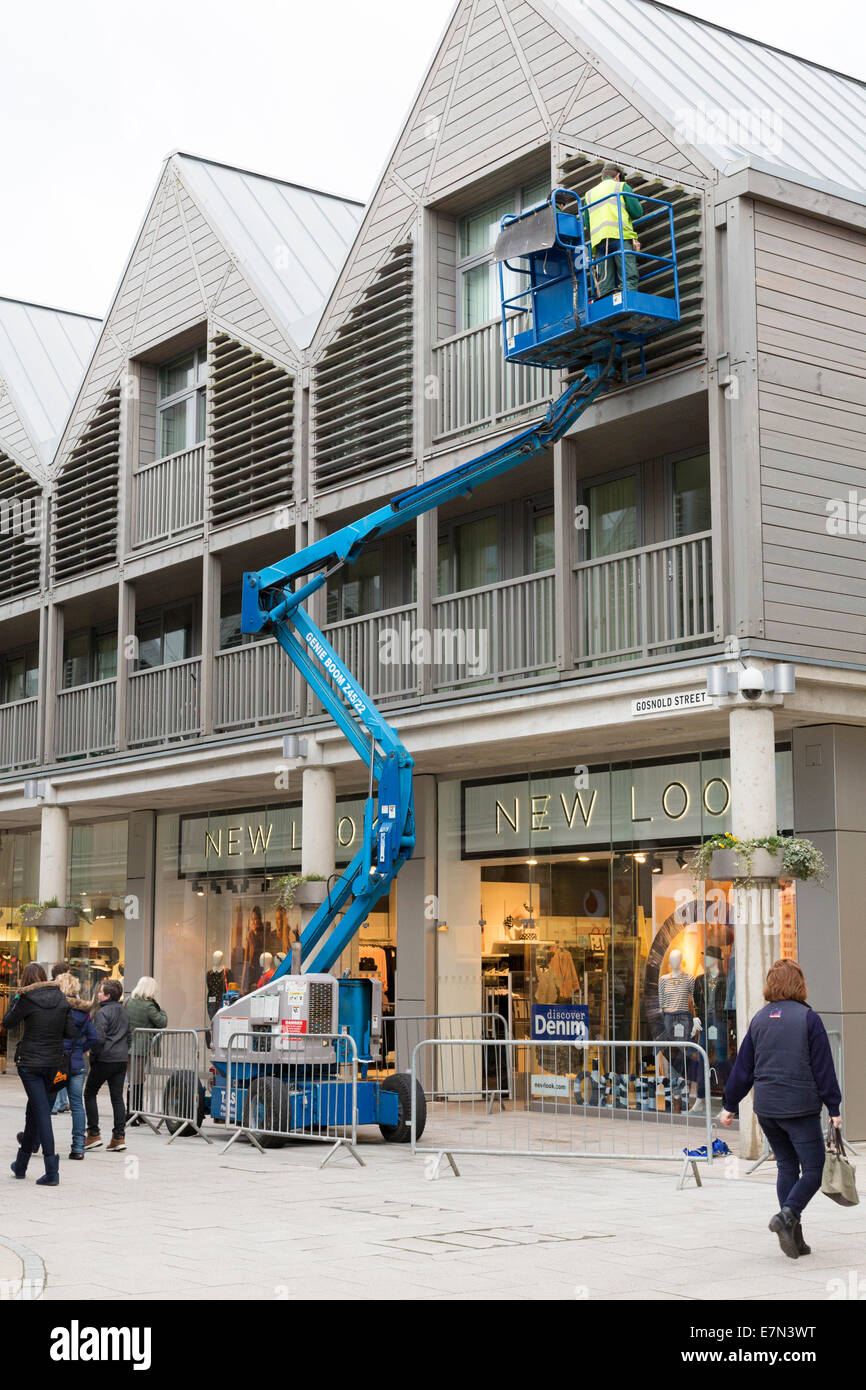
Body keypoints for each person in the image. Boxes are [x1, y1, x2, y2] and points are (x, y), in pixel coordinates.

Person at [720, 958, 842, 1259]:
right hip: (798, 1108)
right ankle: (787, 1216)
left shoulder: (760, 1019)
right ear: (799, 984)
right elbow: (823, 1068)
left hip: (768, 1110)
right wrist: (834, 1106)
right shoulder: (808, 1019)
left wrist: (729, 1105)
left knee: (787, 1166)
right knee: (813, 1169)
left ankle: (795, 1237)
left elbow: (743, 1068)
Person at [3, 962, 76, 1186]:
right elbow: (71, 1032)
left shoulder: (25, 999)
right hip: (53, 1063)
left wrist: (16, 1001)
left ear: (25, 979)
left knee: (42, 1112)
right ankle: (21, 1165)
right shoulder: (61, 998)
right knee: (34, 1109)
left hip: (31, 1064)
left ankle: (51, 1171)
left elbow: (7, 1023)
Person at [54, 972, 98, 1160]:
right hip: (77, 1064)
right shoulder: (83, 1013)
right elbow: (94, 1038)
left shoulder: (55, 1010)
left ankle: (36, 1141)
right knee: (77, 1105)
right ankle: (79, 1147)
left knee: (46, 1103)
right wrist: (80, 1049)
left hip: (57, 1064)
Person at [84, 979, 131, 1152]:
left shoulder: (102, 1013)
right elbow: (129, 1036)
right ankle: (119, 1137)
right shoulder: (124, 1012)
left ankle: (93, 1133)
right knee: (117, 1097)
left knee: (89, 1093)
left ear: (108, 995)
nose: (98, 994)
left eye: (101, 992)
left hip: (105, 1058)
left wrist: (94, 1054)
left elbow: (98, 1038)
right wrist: (124, 1051)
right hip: (120, 1059)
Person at [583, 164, 643, 297]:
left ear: (602, 177)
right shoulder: (621, 186)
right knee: (628, 275)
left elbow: (587, 223)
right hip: (619, 236)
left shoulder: (589, 195)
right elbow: (637, 212)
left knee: (604, 280)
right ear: (617, 176)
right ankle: (629, 299)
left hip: (599, 241)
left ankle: (607, 305)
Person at [125, 976, 168, 1124]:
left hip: (127, 1046)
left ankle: (136, 1112)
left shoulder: (127, 1001)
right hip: (140, 1047)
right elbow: (162, 1022)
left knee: (134, 1079)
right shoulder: (148, 1006)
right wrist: (162, 1010)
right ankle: (133, 1113)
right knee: (137, 1081)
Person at [50, 962, 72, 1115]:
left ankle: (62, 1102)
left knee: (61, 1070)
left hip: (57, 1039)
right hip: (59, 1039)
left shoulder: (50, 990)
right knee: (59, 1070)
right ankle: (57, 1103)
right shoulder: (63, 993)